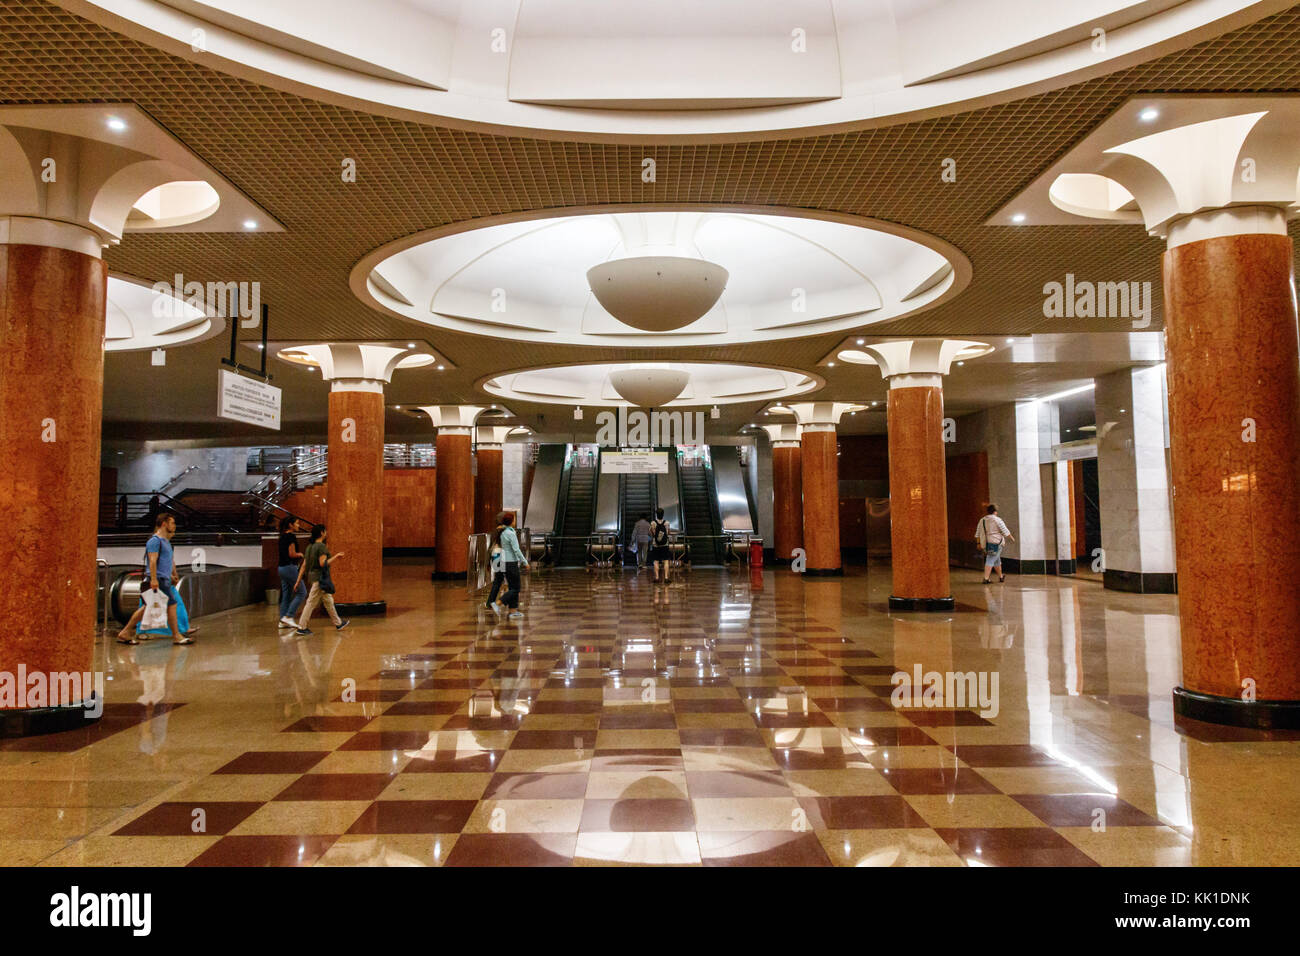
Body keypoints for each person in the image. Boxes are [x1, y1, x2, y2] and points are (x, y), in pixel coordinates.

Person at [117, 512, 193, 646]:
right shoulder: (155, 541)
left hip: (163, 579)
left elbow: (165, 563)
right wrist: (153, 579)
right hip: (158, 579)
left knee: (147, 607)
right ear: (164, 524)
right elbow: (152, 561)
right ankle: (176, 636)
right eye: (172, 523)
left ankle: (125, 632)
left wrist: (171, 575)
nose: (174, 526)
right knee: (172, 605)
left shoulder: (166, 542)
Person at [295, 524, 350, 635]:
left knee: (328, 601)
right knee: (311, 602)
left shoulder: (309, 547)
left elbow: (304, 565)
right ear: (321, 533)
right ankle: (301, 627)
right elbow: (323, 564)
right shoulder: (321, 547)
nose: (326, 533)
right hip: (320, 579)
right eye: (325, 531)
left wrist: (298, 581)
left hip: (313, 577)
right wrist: (336, 556)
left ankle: (338, 623)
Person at [497, 512, 529, 621]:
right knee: (516, 588)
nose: (515, 521)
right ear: (511, 521)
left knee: (512, 587)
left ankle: (513, 611)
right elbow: (516, 550)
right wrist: (525, 562)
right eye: (514, 519)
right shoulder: (510, 533)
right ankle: (499, 602)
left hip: (505, 562)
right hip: (511, 563)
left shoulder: (503, 532)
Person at [277, 515, 308, 628]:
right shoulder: (291, 536)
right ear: (291, 525)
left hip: (281, 568)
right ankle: (289, 616)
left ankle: (282, 620)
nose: (298, 525)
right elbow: (292, 554)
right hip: (290, 568)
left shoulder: (282, 536)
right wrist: (300, 554)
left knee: (286, 595)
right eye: (297, 523)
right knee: (302, 592)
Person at [976, 504, 1014, 584]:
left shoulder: (982, 520)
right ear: (995, 512)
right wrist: (1011, 537)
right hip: (996, 543)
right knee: (990, 559)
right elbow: (1005, 530)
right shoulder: (998, 520)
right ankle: (986, 578)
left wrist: (978, 543)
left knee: (997, 560)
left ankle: (1001, 577)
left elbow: (978, 533)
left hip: (987, 543)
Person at [485, 517, 507, 615]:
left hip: (495, 555)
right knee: (499, 580)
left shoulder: (494, 532)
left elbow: (490, 547)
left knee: (498, 579)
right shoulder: (504, 531)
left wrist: (488, 562)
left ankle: (491, 602)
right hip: (501, 555)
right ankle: (491, 602)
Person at [649, 508, 671, 583]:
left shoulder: (653, 523)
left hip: (656, 545)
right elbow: (668, 533)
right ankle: (666, 578)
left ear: (656, 515)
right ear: (663, 514)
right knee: (666, 561)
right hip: (665, 544)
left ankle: (657, 578)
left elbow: (651, 534)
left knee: (656, 561)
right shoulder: (667, 523)